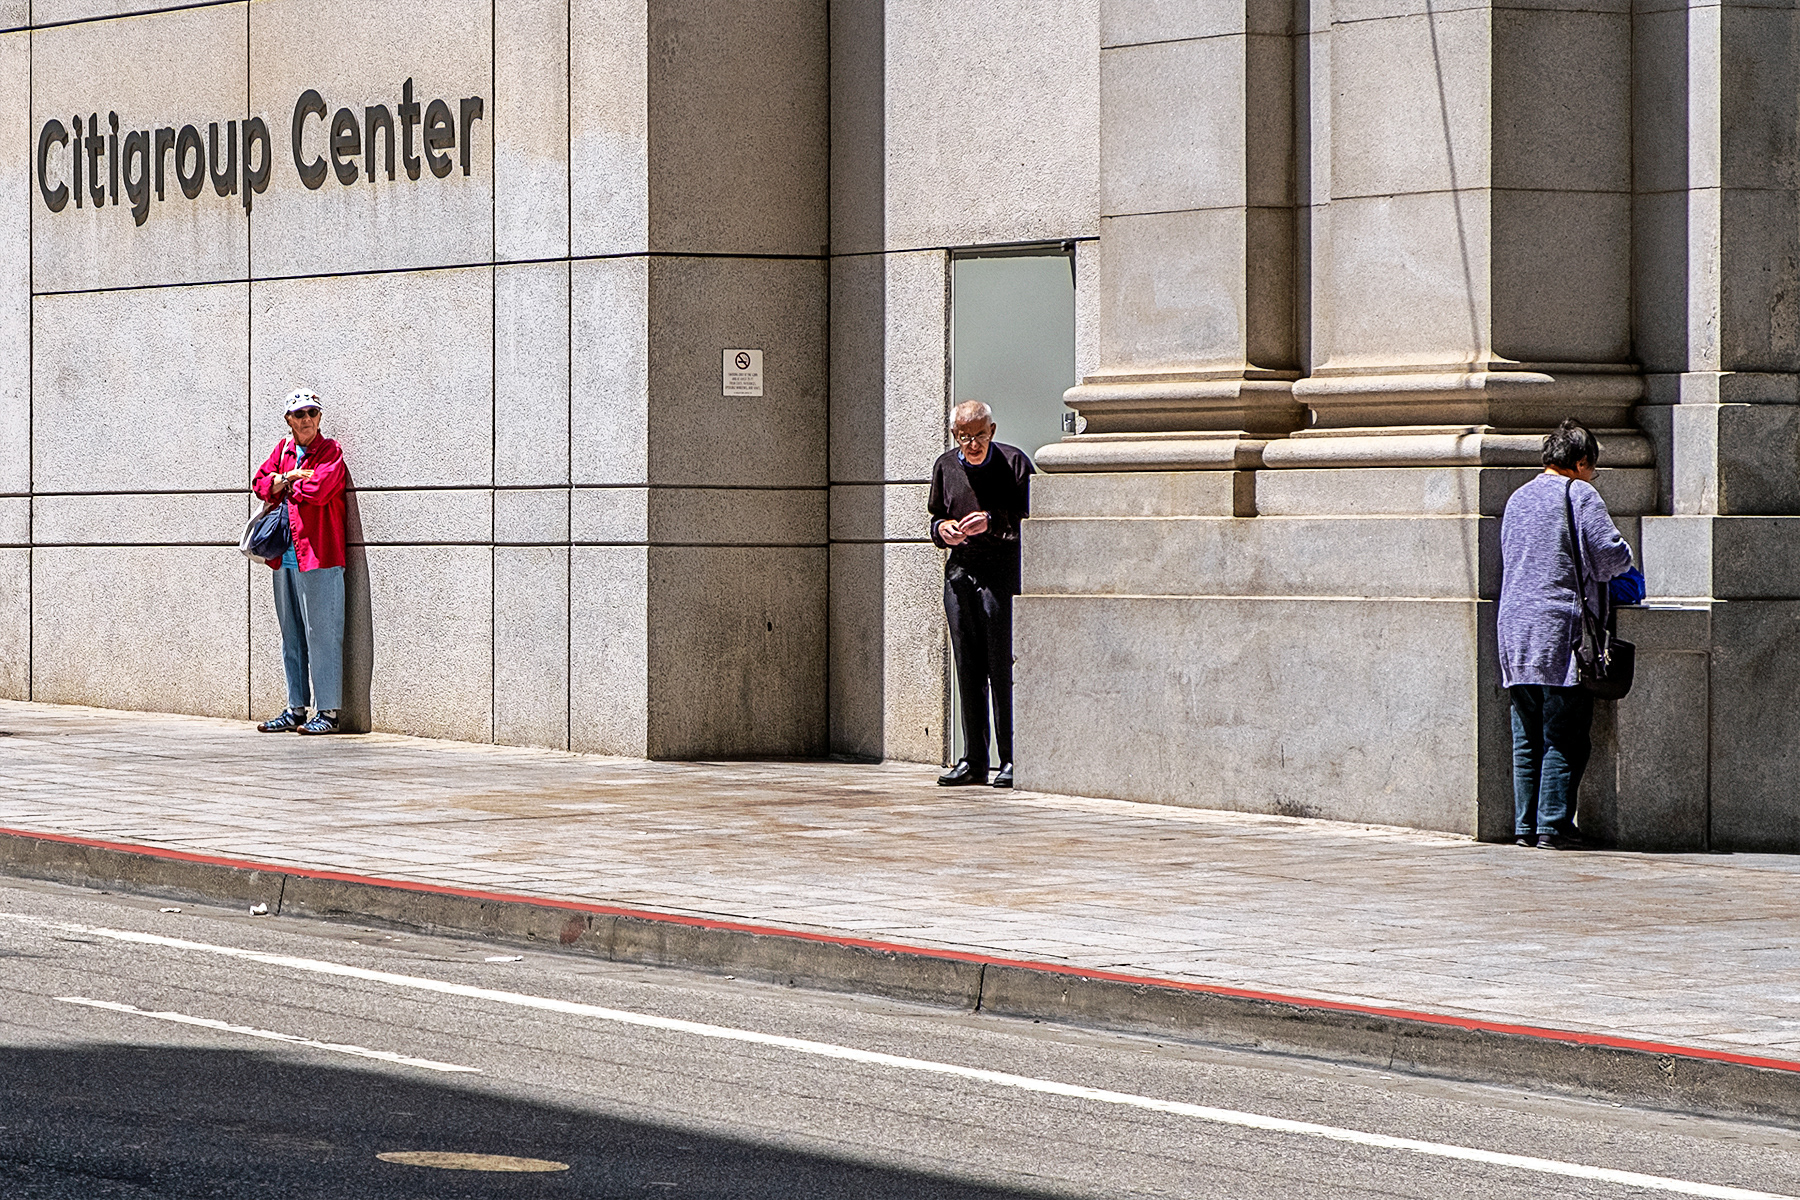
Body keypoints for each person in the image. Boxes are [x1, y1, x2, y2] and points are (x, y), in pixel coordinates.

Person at [1497, 419, 1633, 848]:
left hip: (1515, 630)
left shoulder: (1518, 498)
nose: (1592, 475)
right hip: (1560, 630)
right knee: (1565, 733)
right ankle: (1553, 826)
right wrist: (1628, 556)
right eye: (1593, 467)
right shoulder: (1579, 494)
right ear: (1581, 461)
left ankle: (1525, 826)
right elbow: (1610, 557)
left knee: (1526, 736)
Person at [928, 400, 1035, 788]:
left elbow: (1032, 519)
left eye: (979, 435)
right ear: (954, 434)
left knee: (1000, 665)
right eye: (963, 436)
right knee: (968, 666)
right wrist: (942, 530)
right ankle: (974, 760)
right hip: (961, 571)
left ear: (992, 430)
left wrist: (990, 521)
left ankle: (1011, 759)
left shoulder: (1014, 463)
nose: (972, 444)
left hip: (1001, 572)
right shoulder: (945, 466)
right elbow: (936, 515)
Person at [252, 390, 348, 735]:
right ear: (288, 419)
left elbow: (320, 490)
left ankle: (329, 713)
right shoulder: (283, 450)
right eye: (299, 414)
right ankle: (296, 709)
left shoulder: (330, 451)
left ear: (319, 417)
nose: (307, 419)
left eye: (312, 413)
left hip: (319, 555)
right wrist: (292, 477)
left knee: (322, 634)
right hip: (285, 558)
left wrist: (283, 483)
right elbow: (260, 483)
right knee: (290, 635)